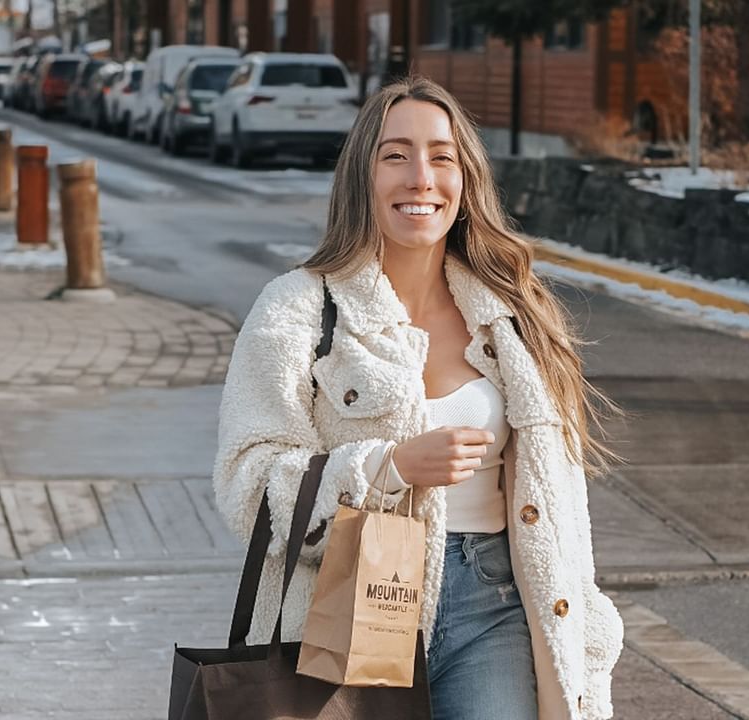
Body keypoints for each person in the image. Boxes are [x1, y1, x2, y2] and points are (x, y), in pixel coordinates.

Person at [213, 76, 623, 720]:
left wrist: (589, 632)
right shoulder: (297, 309)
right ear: (362, 176)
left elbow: (564, 506)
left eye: (441, 156)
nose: (420, 178)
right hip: (347, 607)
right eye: (395, 155)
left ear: (465, 178)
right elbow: (248, 485)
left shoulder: (514, 313)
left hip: (497, 600)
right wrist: (389, 469)